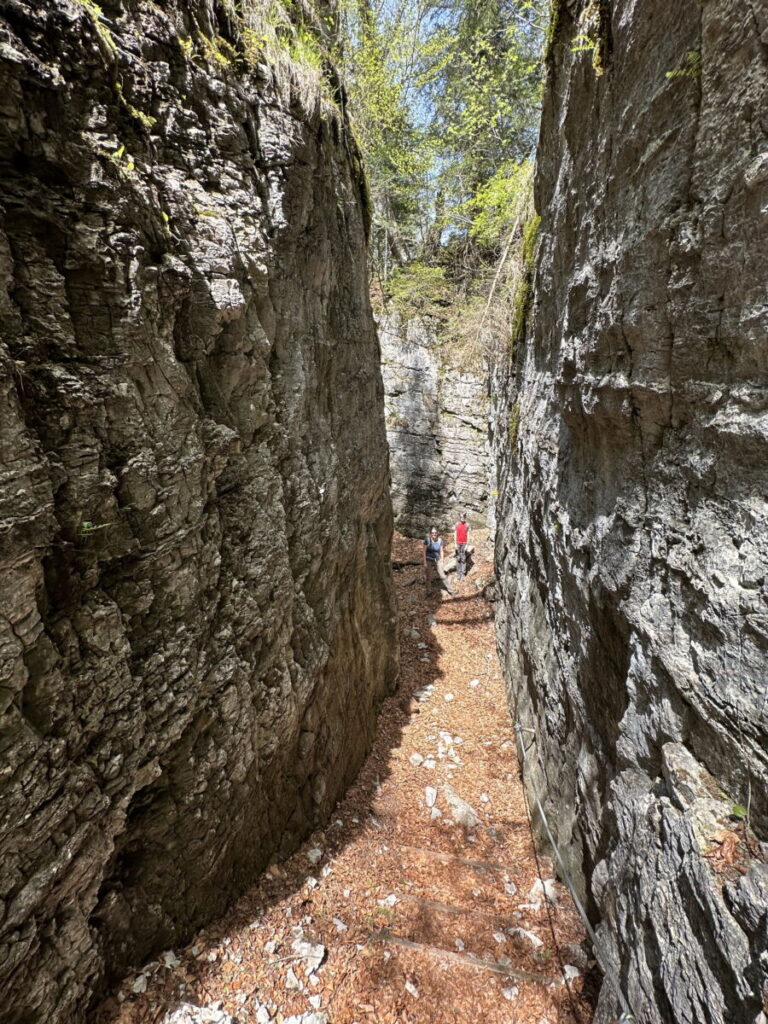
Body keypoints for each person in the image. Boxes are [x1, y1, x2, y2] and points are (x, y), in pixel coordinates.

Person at [424, 525, 454, 597]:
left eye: (435, 532)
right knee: (428, 576)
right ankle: (429, 592)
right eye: (432, 533)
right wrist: (424, 561)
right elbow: (424, 552)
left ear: (437, 533)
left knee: (442, 575)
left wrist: (442, 560)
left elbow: (441, 551)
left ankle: (451, 591)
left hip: (437, 560)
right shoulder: (427, 540)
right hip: (428, 560)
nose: (434, 534)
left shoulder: (440, 540)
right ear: (430, 533)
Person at [454, 512, 470, 581]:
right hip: (458, 543)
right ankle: (458, 573)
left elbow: (468, 534)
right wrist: (455, 543)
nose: (462, 518)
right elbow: (455, 534)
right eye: (461, 517)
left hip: (464, 543)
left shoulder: (467, 525)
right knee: (458, 558)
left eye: (463, 517)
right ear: (460, 517)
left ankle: (463, 574)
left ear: (465, 518)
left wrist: (467, 544)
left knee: (463, 559)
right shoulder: (457, 524)